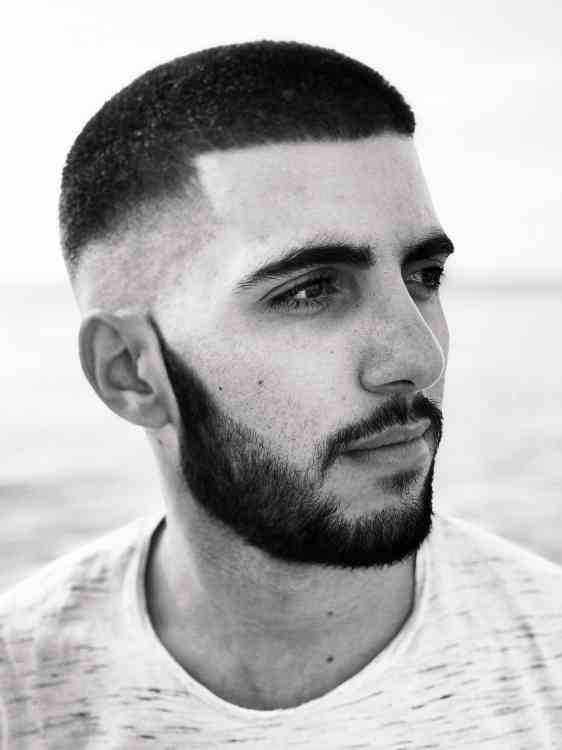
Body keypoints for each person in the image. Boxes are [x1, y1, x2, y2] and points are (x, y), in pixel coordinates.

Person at [1, 40, 560, 749]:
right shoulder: (22, 693)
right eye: (309, 291)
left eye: (423, 277)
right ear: (130, 373)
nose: (419, 358)